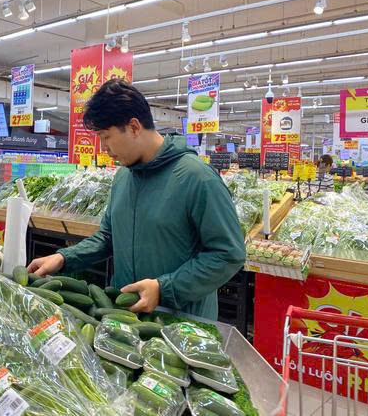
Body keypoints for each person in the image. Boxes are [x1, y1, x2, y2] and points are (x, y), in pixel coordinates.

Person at [27, 79, 246, 320]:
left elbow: (228, 254)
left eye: (106, 136)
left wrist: (164, 288)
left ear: (133, 127)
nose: (104, 148)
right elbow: (108, 236)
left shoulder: (197, 178)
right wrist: (64, 258)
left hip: (181, 322)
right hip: (127, 316)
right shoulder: (123, 177)